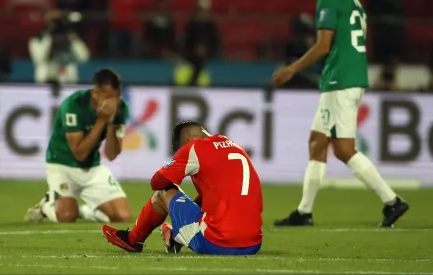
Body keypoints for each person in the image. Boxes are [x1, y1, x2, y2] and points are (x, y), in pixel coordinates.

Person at [271, 0, 409, 227]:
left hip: (340, 80)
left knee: (344, 149)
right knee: (317, 142)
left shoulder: (329, 2)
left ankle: (392, 201)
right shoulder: (355, 4)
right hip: (349, 78)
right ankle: (304, 212)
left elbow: (324, 45)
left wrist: (292, 69)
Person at [101, 121, 263, 255]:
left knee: (163, 192)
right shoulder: (235, 146)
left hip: (216, 243)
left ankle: (133, 240)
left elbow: (157, 182)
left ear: (186, 141)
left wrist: (177, 164)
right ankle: (174, 237)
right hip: (253, 244)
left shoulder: (194, 148)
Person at [24, 68, 132, 223]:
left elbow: (111, 154)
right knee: (67, 216)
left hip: (92, 167)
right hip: (62, 164)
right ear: (96, 93)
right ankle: (46, 205)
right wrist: (101, 120)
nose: (113, 103)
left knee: (122, 216)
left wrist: (110, 123)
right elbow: (79, 154)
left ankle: (84, 211)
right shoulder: (74, 105)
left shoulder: (121, 109)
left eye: (116, 97)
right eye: (108, 97)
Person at [29, 9, 90, 83]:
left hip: (68, 79)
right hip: (45, 79)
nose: (55, 25)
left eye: (57, 22)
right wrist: (48, 38)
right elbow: (39, 58)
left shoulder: (71, 38)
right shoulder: (38, 40)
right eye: (52, 22)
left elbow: (84, 57)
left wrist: (74, 40)